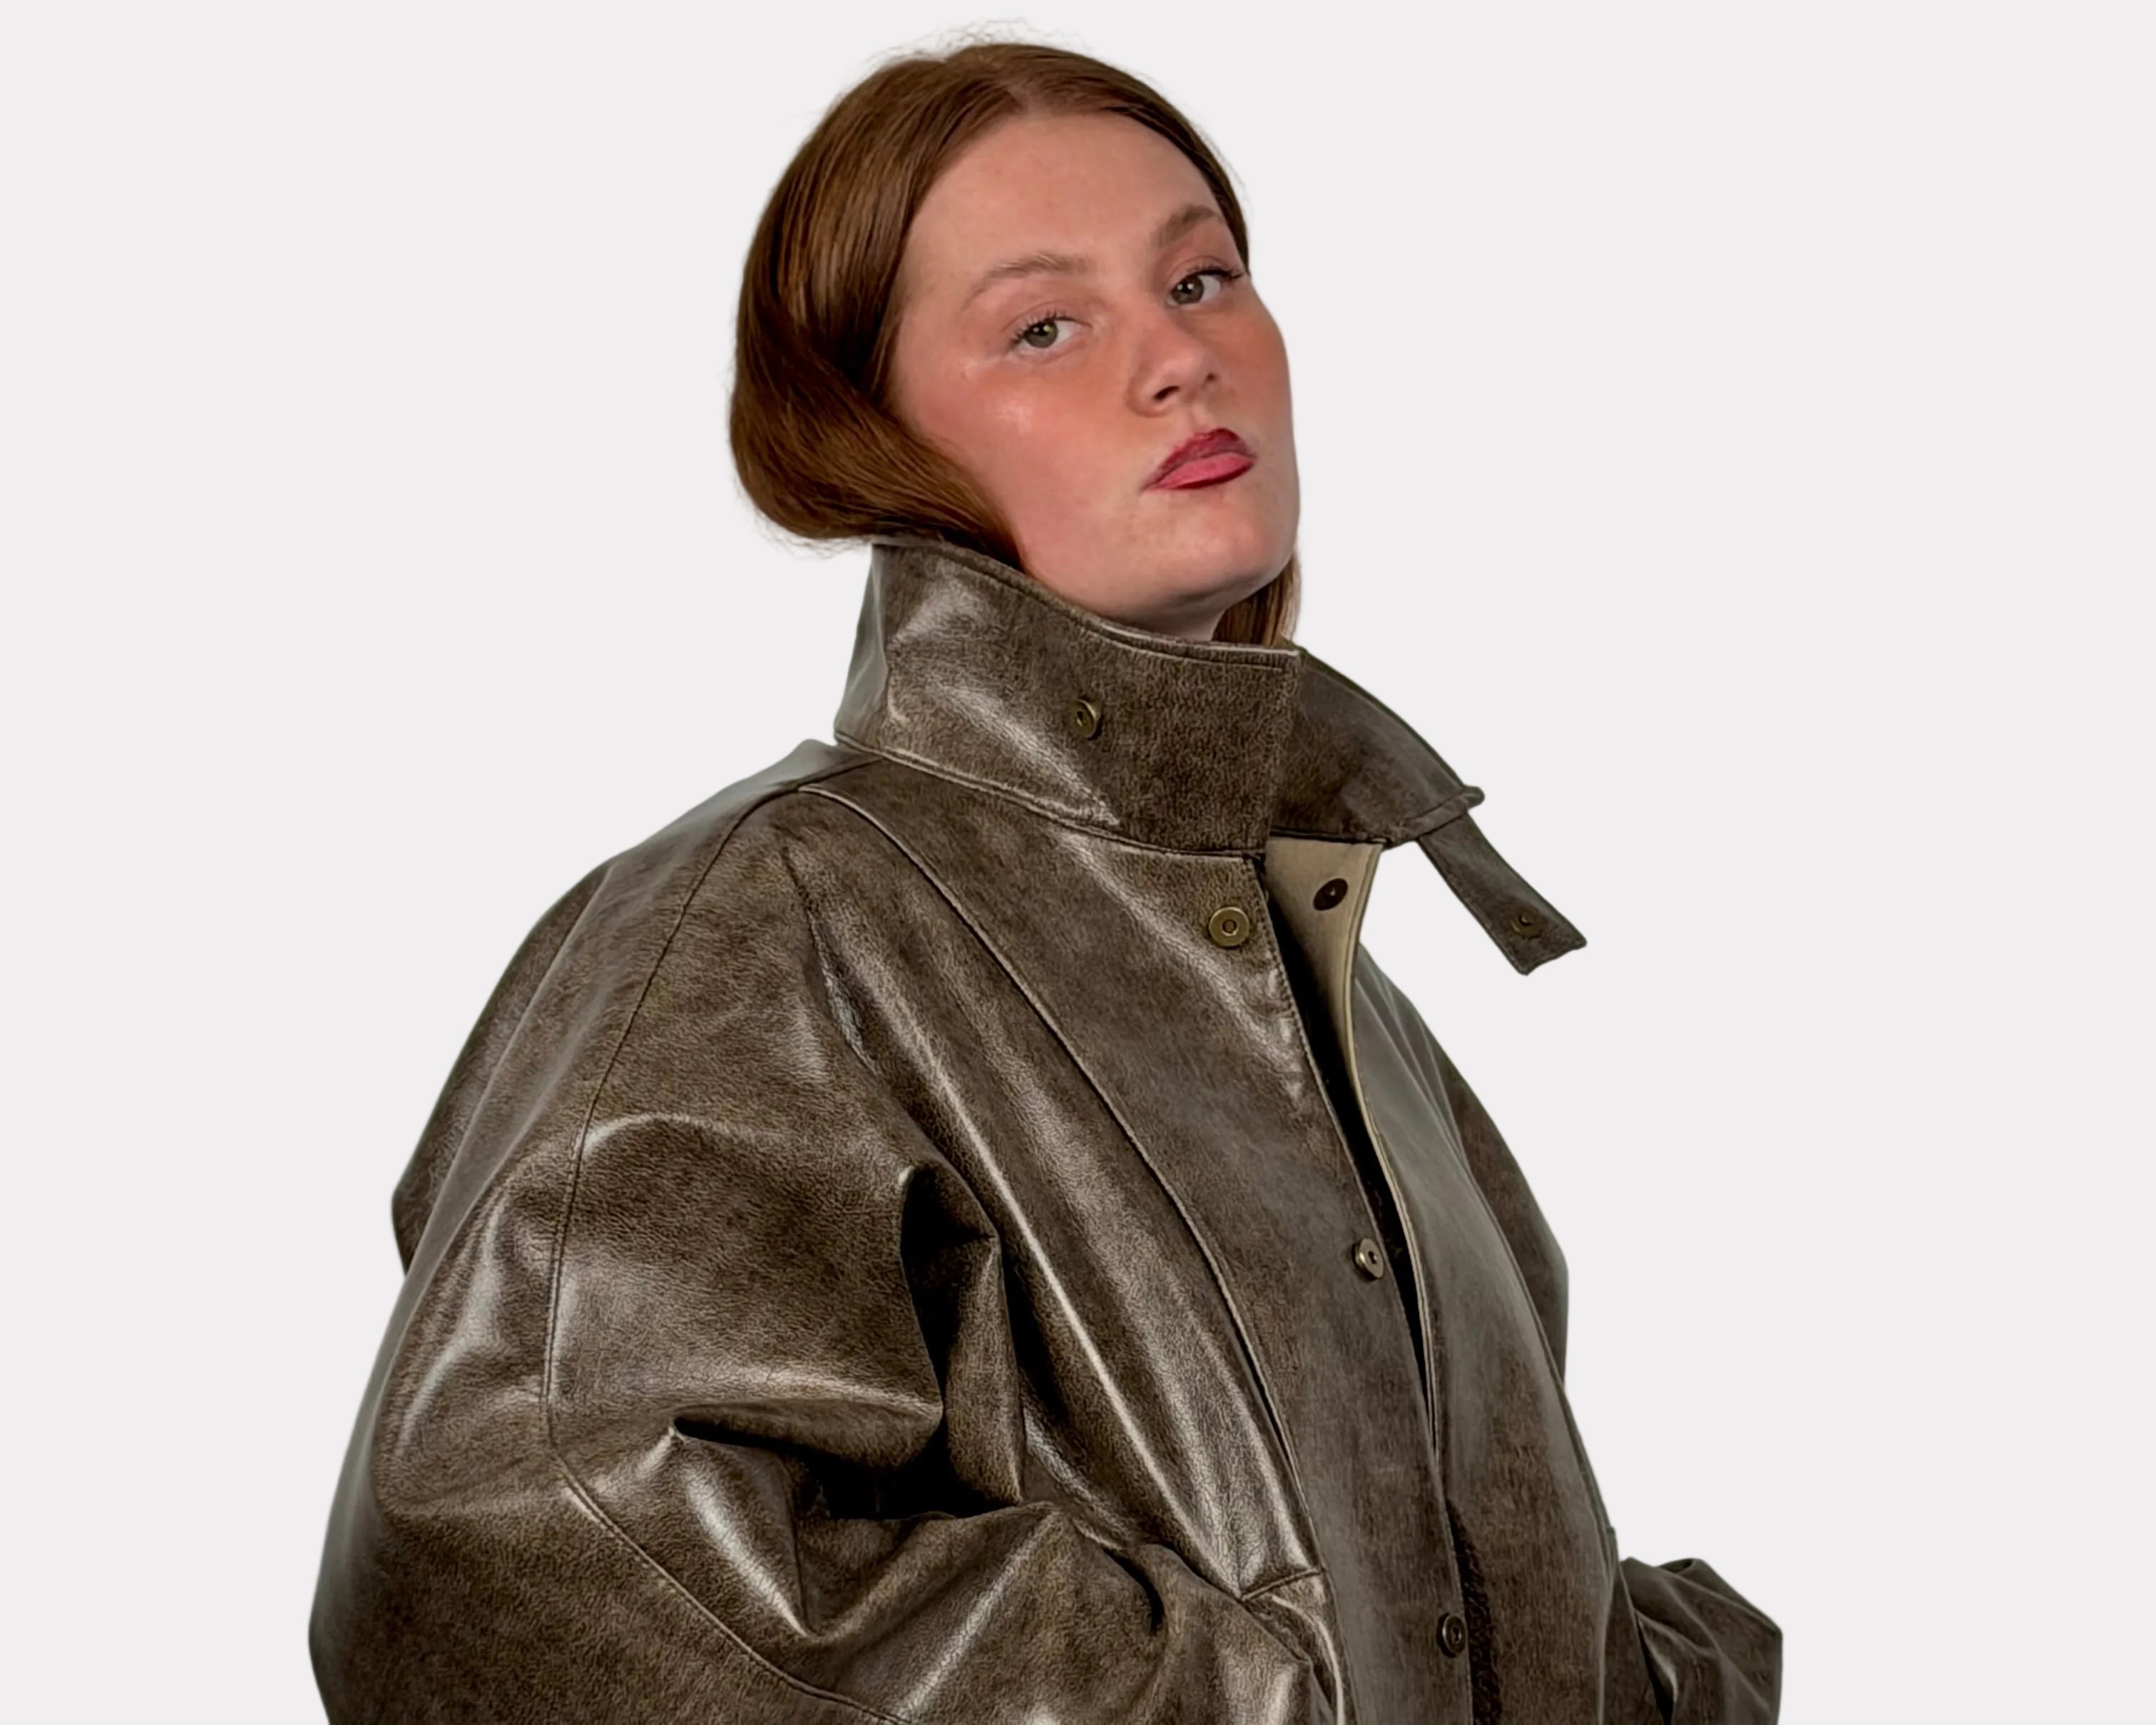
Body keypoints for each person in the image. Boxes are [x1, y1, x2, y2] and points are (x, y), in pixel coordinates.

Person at [309, 38, 1782, 1725]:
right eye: (1043, 327)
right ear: (868, 439)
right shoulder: (782, 915)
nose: (1179, 357)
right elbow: (517, 1540)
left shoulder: (1305, 955)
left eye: (1202, 277)